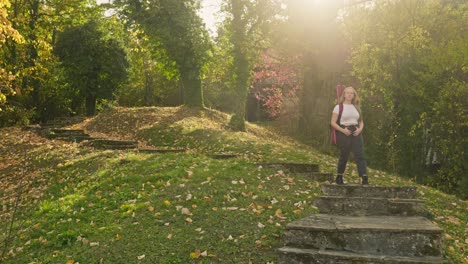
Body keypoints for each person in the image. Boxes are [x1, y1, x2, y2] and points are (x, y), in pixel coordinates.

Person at [330, 86, 368, 185]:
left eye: (352, 93)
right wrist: (343, 131)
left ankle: (364, 178)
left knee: (360, 155)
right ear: (344, 94)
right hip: (344, 131)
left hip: (356, 131)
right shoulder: (339, 107)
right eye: (347, 93)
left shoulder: (356, 107)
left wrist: (359, 129)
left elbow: (361, 122)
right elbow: (333, 123)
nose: (349, 94)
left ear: (354, 95)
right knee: (344, 155)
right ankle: (339, 177)